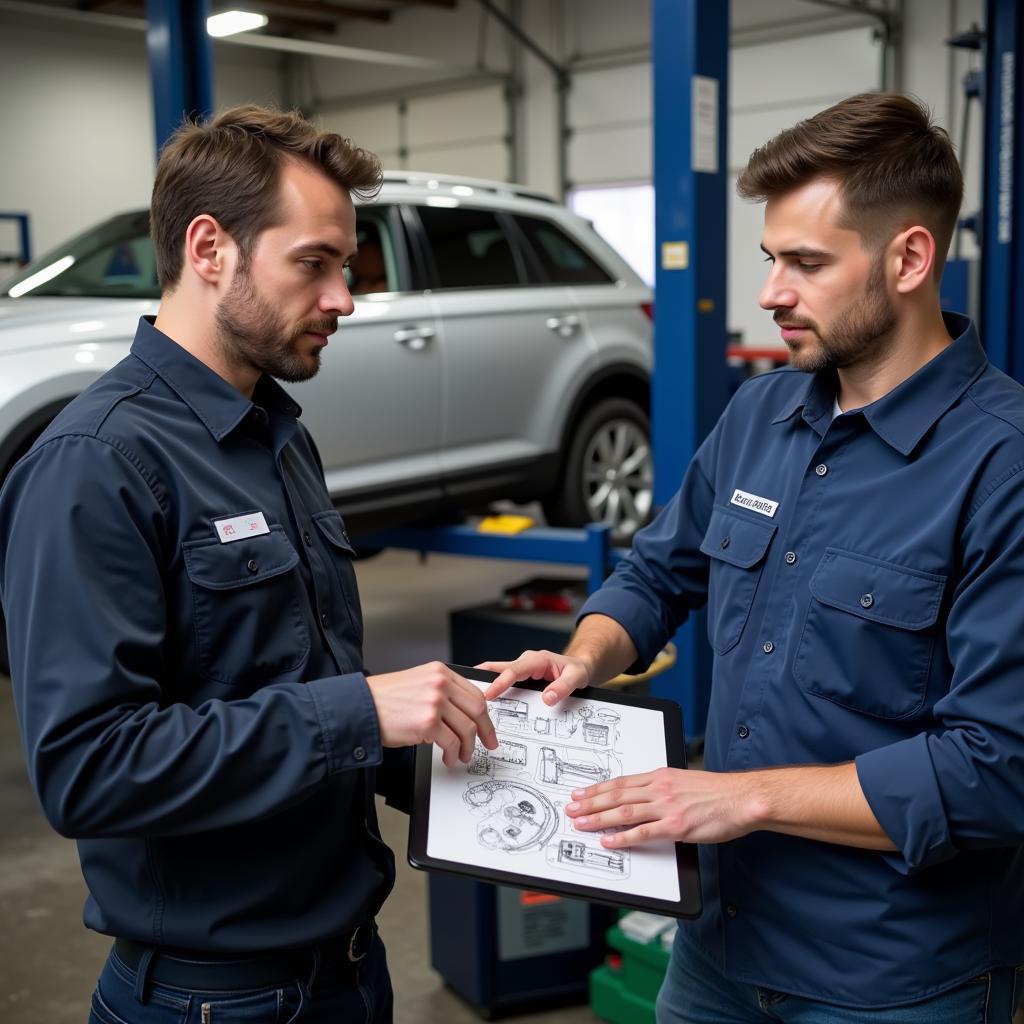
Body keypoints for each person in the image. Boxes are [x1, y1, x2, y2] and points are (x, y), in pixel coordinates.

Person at [482, 92, 1024, 1022]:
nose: (772, 292)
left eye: (806, 263)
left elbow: (997, 772)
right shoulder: (759, 416)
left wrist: (742, 800)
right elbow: (659, 574)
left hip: (889, 980)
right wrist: (584, 656)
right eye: (772, 258)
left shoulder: (1000, 466)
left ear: (909, 258)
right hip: (718, 951)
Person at [0, 105, 497, 1023]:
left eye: (346, 266)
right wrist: (358, 709)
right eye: (315, 263)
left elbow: (288, 686)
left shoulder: (275, 435)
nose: (345, 298)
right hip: (213, 1000)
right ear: (209, 248)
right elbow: (87, 768)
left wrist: (465, 727)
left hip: (347, 968)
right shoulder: (96, 465)